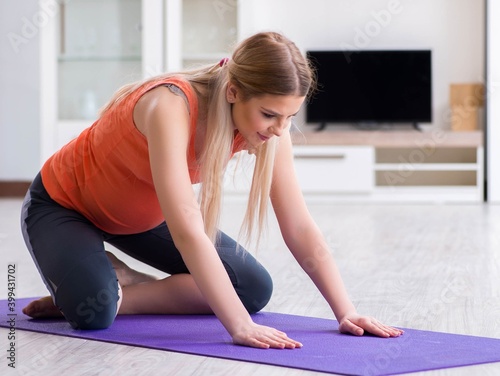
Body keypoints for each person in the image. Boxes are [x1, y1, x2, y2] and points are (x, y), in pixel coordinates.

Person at [21, 31, 403, 349]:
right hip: (64, 207)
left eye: (289, 117)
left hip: (144, 217)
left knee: (252, 288)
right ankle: (97, 291)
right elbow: (188, 229)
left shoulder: (272, 132)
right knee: (91, 316)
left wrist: (346, 311)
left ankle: (118, 287)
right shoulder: (169, 105)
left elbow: (299, 226)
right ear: (234, 92)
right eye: (269, 114)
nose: (279, 128)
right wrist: (237, 326)